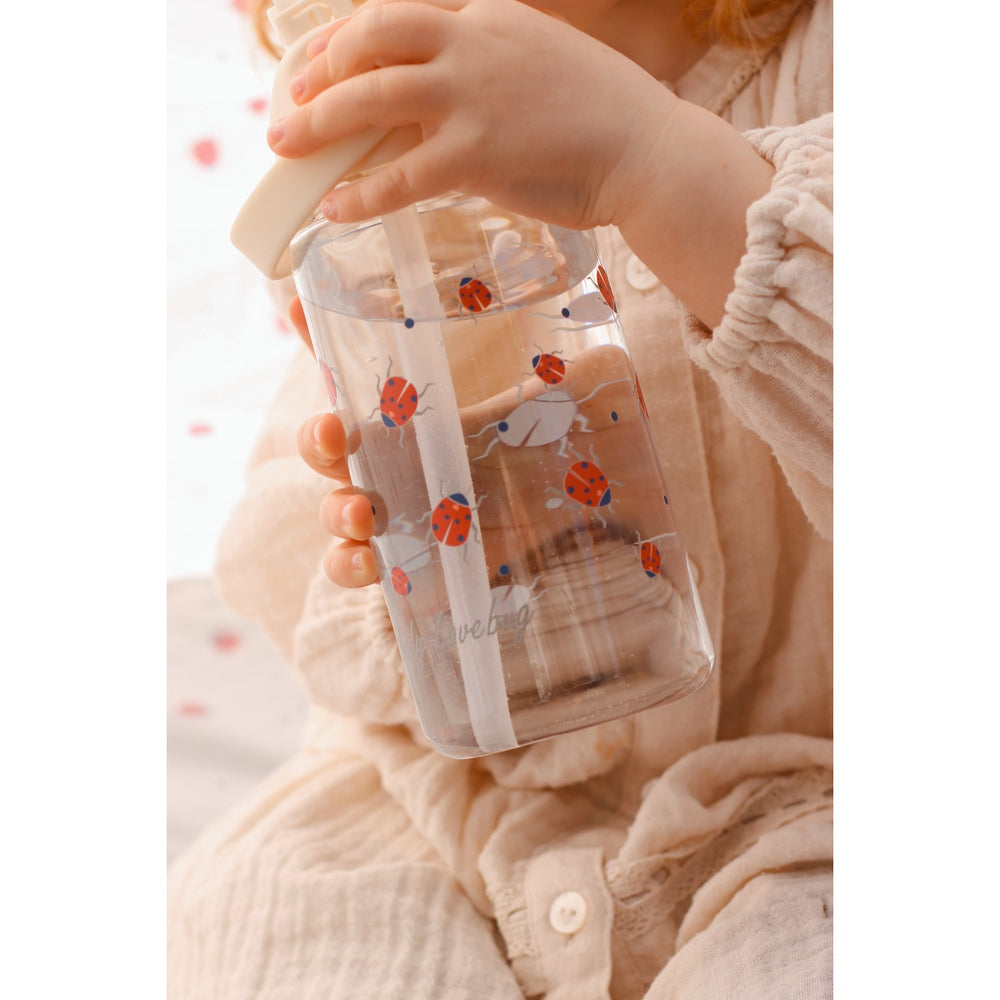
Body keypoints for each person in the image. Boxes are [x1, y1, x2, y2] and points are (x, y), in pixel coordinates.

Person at [168, 0, 833, 996]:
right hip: (452, 804)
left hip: (812, 804)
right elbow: (296, 550)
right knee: (261, 908)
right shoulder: (389, 177)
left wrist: (647, 159)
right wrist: (390, 567)